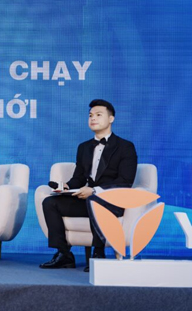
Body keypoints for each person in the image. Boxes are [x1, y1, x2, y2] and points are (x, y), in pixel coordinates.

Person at [39, 99, 137, 272]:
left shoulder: (125, 147)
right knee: (50, 202)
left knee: (93, 200)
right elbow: (79, 178)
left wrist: (94, 191)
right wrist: (66, 186)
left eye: (98, 115)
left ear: (111, 119)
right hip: (88, 201)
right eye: (90, 115)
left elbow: (125, 181)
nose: (93, 118)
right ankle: (63, 254)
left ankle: (98, 253)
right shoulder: (83, 147)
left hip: (111, 201)